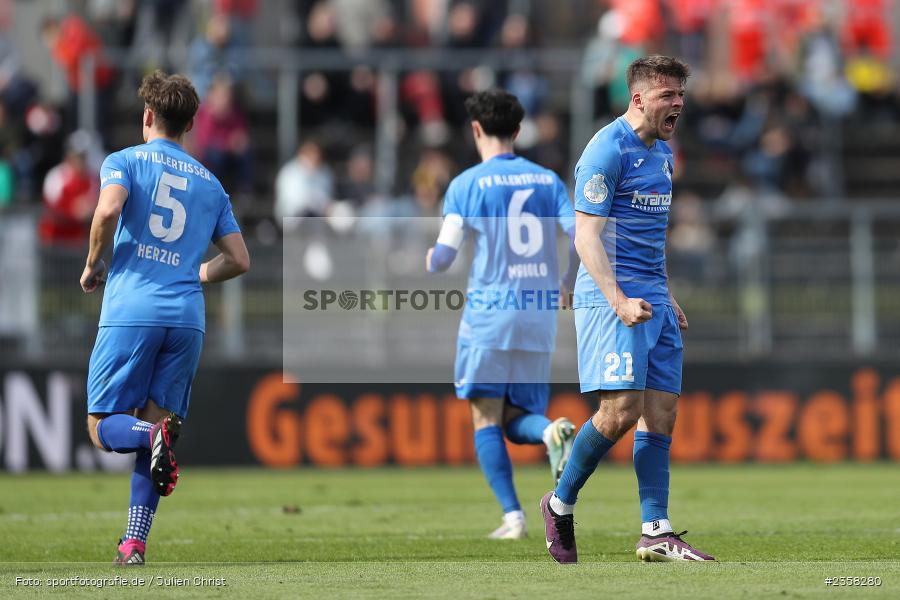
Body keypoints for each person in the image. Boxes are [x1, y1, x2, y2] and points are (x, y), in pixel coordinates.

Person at [540, 56, 715, 563]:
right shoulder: (604, 151)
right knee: (619, 413)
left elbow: (647, 236)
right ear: (638, 98)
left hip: (654, 296)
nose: (677, 102)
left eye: (680, 93)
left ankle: (655, 531)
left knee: (662, 412)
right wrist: (617, 299)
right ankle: (560, 503)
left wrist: (666, 294)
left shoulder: (663, 152)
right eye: (667, 95)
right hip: (610, 296)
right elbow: (586, 238)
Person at [80, 71, 249, 566]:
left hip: (132, 308)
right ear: (191, 124)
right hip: (186, 318)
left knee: (101, 425)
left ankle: (146, 437)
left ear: (148, 117)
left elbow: (108, 211)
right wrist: (196, 272)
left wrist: (93, 264)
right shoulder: (211, 184)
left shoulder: (123, 161)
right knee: (160, 426)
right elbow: (239, 260)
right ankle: (133, 544)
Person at [426, 89, 579, 540]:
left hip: (490, 315)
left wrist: (429, 258)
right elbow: (578, 233)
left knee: (487, 416)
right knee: (520, 419)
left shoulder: (466, 184)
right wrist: (568, 281)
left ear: (476, 130)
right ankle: (551, 430)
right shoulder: (548, 181)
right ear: (517, 130)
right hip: (538, 315)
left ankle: (513, 517)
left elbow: (444, 256)